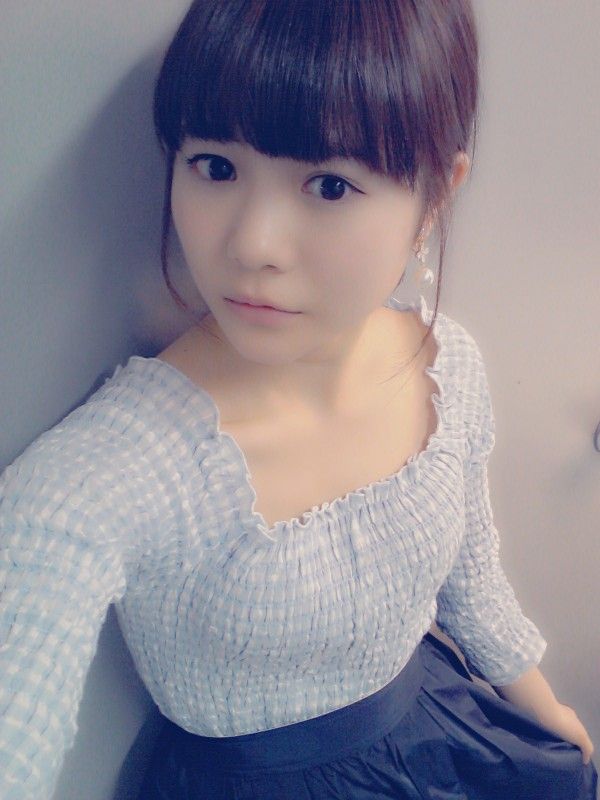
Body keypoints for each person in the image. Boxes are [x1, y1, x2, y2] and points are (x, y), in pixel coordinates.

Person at [0, 1, 597, 798]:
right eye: (214, 166)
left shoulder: (447, 368)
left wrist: (539, 702)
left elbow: (469, 572)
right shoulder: (117, 468)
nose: (251, 244)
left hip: (434, 734)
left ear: (435, 197)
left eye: (329, 184)